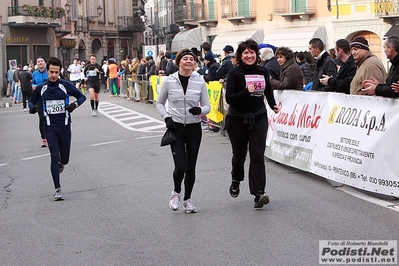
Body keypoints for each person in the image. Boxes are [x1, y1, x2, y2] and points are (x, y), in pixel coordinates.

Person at [225, 39, 280, 209]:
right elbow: (229, 99)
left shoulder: (263, 71)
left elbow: (268, 90)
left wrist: (272, 105)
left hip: (258, 117)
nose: (249, 55)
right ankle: (236, 179)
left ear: (256, 55)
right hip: (237, 119)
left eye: (252, 52)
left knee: (257, 155)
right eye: (246, 53)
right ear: (241, 56)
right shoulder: (235, 74)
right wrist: (245, 92)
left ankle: (259, 193)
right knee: (239, 156)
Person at [156, 48, 210, 213]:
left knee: (191, 167)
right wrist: (167, 117)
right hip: (176, 127)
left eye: (191, 59)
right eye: (185, 59)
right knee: (181, 165)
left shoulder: (200, 81)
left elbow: (207, 106)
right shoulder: (169, 81)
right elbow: (159, 102)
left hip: (194, 128)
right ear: (178, 62)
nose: (188, 61)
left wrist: (199, 111)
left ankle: (188, 200)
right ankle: (176, 192)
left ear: (194, 63)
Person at [28, 56, 86, 201]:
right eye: (51, 72)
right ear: (47, 71)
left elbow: (81, 97)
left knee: (64, 158)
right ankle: (57, 189)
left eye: (56, 72)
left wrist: (73, 106)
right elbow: (31, 100)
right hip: (50, 127)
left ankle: (62, 162)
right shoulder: (42, 88)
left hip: (64, 126)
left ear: (60, 72)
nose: (53, 75)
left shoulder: (65, 85)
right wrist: (32, 108)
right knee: (54, 156)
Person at [32, 56, 49, 148]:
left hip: (49, 97)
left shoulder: (49, 71)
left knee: (50, 117)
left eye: (42, 61)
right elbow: (33, 82)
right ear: (37, 64)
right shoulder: (34, 73)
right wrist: (33, 85)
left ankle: (53, 136)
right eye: (38, 61)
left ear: (45, 62)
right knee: (42, 118)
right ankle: (44, 139)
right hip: (39, 98)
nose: (40, 63)